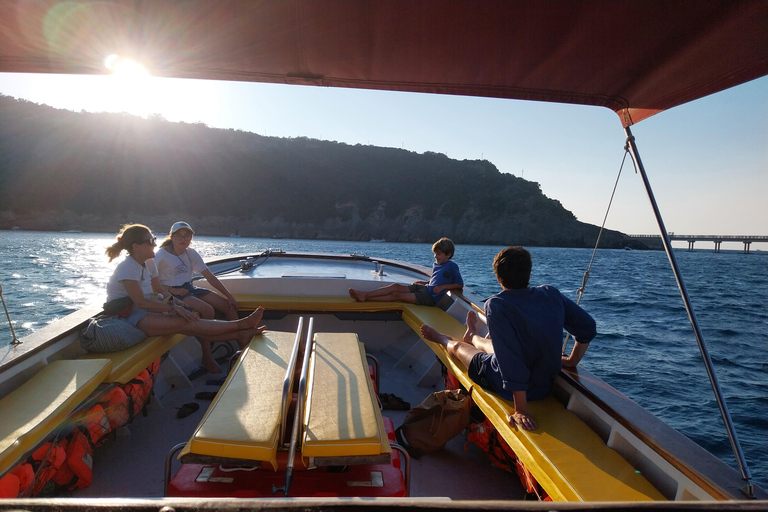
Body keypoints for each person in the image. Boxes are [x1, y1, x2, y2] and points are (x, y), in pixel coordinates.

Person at [420, 246, 595, 431]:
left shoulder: (497, 305)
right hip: (543, 385)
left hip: (509, 385)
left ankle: (443, 339)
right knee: (497, 348)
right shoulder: (550, 294)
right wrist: (572, 360)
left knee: (457, 348)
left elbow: (511, 362)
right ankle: (473, 337)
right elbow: (587, 327)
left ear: (498, 279)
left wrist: (520, 409)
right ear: (528, 274)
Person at [105, 224, 265, 373]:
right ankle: (241, 326)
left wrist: (176, 302)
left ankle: (241, 333)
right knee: (187, 323)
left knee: (190, 325)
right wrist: (173, 308)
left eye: (154, 238)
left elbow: (159, 289)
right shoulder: (127, 268)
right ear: (136, 246)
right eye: (151, 240)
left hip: (147, 310)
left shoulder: (149, 263)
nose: (155, 243)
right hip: (128, 317)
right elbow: (140, 302)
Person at [348, 237, 463, 309]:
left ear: (448, 255)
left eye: (439, 254)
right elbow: (437, 279)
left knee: (396, 295)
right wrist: (426, 282)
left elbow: (459, 284)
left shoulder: (452, 266)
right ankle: (364, 294)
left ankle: (366, 297)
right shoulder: (438, 265)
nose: (435, 256)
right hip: (426, 289)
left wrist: (443, 287)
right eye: (435, 254)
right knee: (395, 286)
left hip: (429, 297)